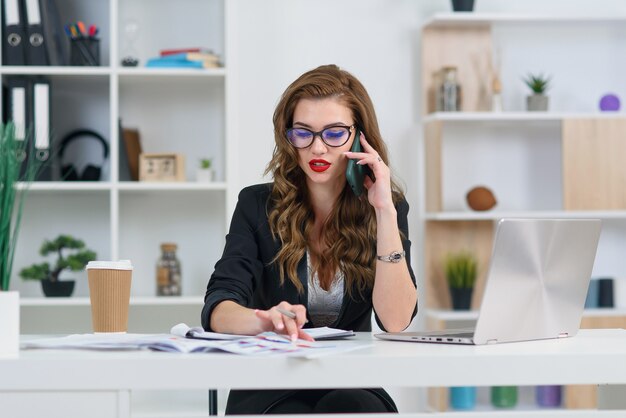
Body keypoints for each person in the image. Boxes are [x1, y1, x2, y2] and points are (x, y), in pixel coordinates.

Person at [201, 64, 418, 414]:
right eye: (303, 133)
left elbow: (396, 321)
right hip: (271, 386)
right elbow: (219, 307)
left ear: (360, 137)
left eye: (334, 133)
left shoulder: (386, 210)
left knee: (352, 405)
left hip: (351, 385)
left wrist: (385, 211)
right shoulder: (257, 205)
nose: (317, 149)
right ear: (287, 137)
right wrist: (265, 319)